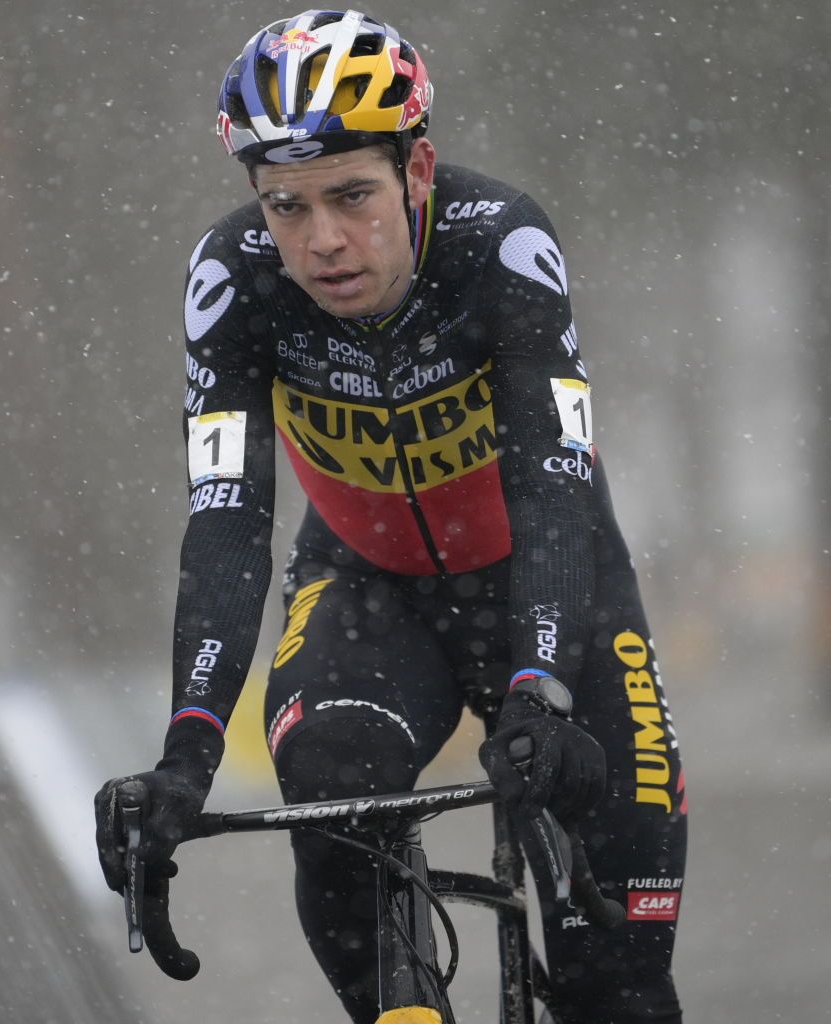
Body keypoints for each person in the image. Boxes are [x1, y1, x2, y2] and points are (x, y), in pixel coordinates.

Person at [95, 9, 687, 1023]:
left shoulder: (501, 240)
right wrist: (187, 754)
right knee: (330, 785)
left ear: (418, 169)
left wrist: (539, 684)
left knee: (617, 990)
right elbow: (229, 515)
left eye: (351, 196)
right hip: (368, 594)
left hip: (542, 584)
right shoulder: (231, 277)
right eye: (285, 205)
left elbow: (555, 479)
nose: (320, 240)